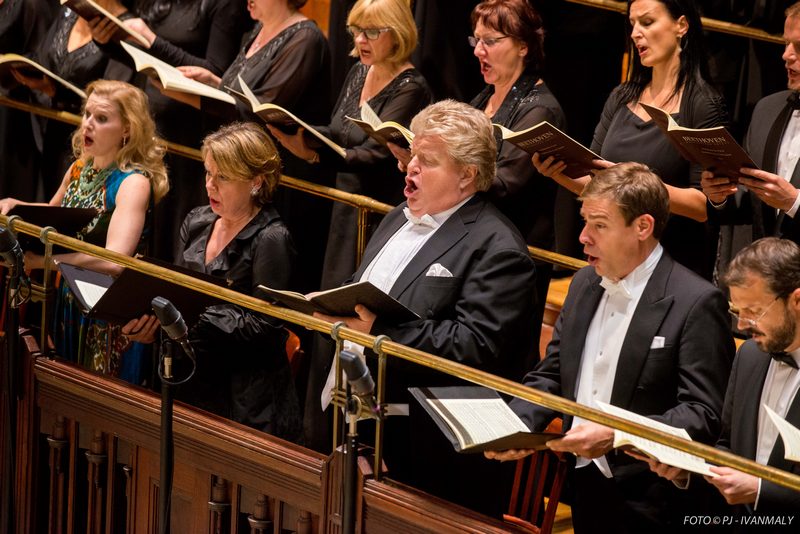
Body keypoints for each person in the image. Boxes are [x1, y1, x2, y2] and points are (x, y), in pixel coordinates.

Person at [309, 100, 538, 512]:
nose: (410, 166)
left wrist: (378, 331)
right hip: (354, 421)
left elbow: (476, 347)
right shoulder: (398, 216)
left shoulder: (499, 248)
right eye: (413, 154)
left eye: (427, 160)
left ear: (467, 175)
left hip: (424, 454)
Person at [486, 162, 734, 533]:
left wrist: (618, 434)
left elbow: (703, 414)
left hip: (655, 498)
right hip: (584, 485)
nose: (583, 236)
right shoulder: (585, 283)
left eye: (599, 225)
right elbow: (552, 373)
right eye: (585, 221)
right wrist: (517, 423)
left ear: (643, 227)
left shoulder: (696, 302)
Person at [125, 122, 302, 441]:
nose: (210, 185)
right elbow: (175, 289)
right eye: (208, 173)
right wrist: (154, 328)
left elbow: (268, 328)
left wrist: (189, 315)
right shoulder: (197, 221)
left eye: (223, 177)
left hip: (245, 404)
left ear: (256, 182)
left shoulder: (272, 238)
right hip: (188, 382)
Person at [533, 0, 727, 279]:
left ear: (681, 26)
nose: (636, 33)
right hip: (613, 254)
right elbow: (596, 180)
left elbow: (703, 206)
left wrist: (636, 184)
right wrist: (558, 173)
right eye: (632, 24)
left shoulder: (703, 103)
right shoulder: (622, 95)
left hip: (668, 263)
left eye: (647, 22)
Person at [0, 79, 168, 384]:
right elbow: (51, 216)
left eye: (101, 118)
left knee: (97, 418)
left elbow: (116, 261)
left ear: (127, 129)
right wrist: (15, 204)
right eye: (87, 114)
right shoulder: (81, 167)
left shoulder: (133, 183)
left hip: (107, 315)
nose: (88, 124)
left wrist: (45, 262)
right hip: (70, 299)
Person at [156, 0, 332, 291]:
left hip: (273, 180)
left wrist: (196, 96)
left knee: (261, 280)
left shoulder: (306, 37)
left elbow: (260, 113)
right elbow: (239, 94)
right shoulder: (256, 31)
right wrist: (214, 83)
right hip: (238, 171)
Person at [269, 0, 432, 291]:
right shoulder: (360, 70)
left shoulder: (411, 87)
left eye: (371, 32)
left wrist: (315, 155)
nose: (359, 40)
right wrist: (301, 131)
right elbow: (337, 131)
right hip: (337, 203)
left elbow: (374, 154)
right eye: (356, 30)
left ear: (397, 33)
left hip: (369, 213)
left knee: (347, 294)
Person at [640, 238, 800, 529]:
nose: (741, 325)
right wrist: (687, 468)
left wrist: (763, 491)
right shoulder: (750, 356)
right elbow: (727, 445)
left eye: (754, 311)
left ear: (797, 300)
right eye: (738, 312)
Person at [89, 0, 249, 260]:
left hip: (190, 135)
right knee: (143, 226)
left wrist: (152, 40)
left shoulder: (225, 5)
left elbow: (216, 73)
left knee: (173, 231)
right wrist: (107, 42)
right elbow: (147, 61)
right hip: (154, 126)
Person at [469, 0, 565, 363]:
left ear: (523, 47)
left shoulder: (540, 107)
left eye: (491, 41)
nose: (479, 50)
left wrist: (447, 170)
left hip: (514, 255)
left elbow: (506, 182)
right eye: (476, 40)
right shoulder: (485, 97)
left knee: (498, 362)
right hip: (478, 245)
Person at [703, 2, 800, 276]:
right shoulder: (767, 109)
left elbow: (787, 201)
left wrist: (794, 202)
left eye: (799, 47)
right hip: (764, 281)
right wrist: (719, 195)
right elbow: (750, 204)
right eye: (786, 44)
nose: (786, 55)